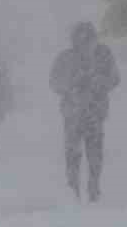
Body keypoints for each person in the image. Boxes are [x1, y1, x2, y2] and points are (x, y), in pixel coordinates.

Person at [48, 21, 119, 201]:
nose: (84, 43)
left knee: (93, 153)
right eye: (80, 39)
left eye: (88, 39)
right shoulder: (66, 57)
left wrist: (98, 82)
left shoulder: (103, 54)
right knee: (74, 153)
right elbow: (54, 82)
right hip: (74, 113)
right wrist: (71, 85)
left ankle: (93, 189)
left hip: (93, 111)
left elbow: (115, 78)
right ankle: (73, 190)